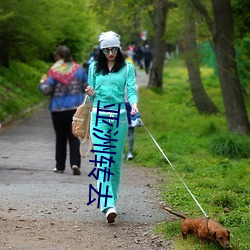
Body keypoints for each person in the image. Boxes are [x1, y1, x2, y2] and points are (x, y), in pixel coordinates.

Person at [85, 31, 138, 223]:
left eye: (114, 49)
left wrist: (134, 104)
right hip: (98, 117)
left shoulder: (127, 68)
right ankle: (108, 204)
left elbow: (131, 90)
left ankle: (111, 202)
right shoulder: (93, 68)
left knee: (115, 164)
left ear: (119, 48)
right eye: (106, 50)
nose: (110, 53)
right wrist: (90, 92)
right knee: (103, 162)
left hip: (120, 118)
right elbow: (91, 96)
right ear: (101, 50)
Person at [39, 45, 88, 175]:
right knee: (74, 137)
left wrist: (42, 83)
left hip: (58, 109)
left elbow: (47, 90)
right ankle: (75, 163)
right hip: (75, 109)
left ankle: (60, 166)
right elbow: (86, 87)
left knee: (60, 138)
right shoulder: (79, 70)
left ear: (58, 57)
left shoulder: (54, 71)